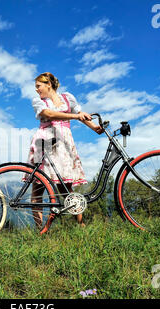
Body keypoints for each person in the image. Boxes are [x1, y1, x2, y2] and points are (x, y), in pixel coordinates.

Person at [27, 72, 103, 227]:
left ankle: (81, 226)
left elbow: (79, 114)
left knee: (66, 187)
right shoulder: (39, 101)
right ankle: (41, 231)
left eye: (38, 86)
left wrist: (95, 127)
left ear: (48, 84)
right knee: (38, 187)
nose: (36, 90)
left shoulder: (68, 98)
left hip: (64, 143)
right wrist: (75, 117)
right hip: (46, 140)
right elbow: (48, 114)